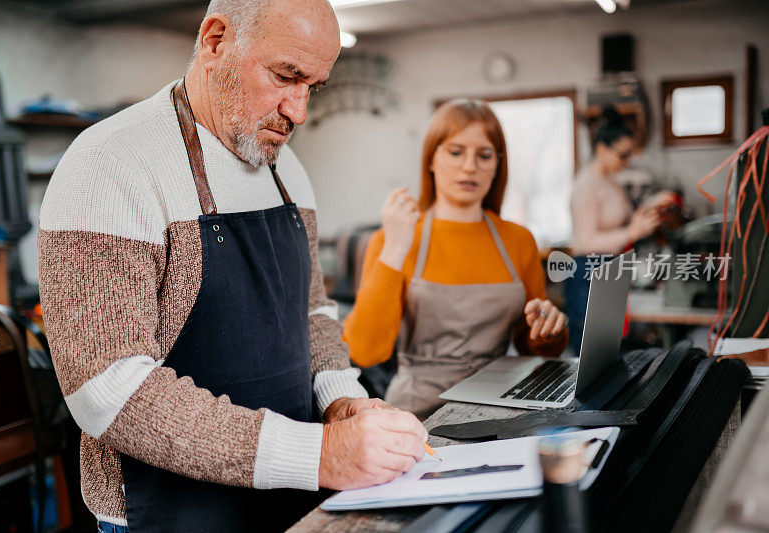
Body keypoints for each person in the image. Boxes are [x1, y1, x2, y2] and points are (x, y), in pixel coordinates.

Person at [37, 1, 427, 532]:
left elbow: (311, 314)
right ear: (216, 40)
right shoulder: (110, 164)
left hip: (289, 498)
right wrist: (319, 453)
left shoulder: (286, 169)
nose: (299, 111)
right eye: (287, 76)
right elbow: (106, 389)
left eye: (314, 86)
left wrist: (341, 403)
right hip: (173, 513)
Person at [343, 99, 569, 419]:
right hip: (417, 413)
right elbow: (365, 351)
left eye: (484, 155)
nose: (469, 167)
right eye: (455, 151)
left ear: (497, 165)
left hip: (499, 403)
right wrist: (394, 250)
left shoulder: (519, 240)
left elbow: (529, 346)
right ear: (431, 159)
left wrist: (549, 332)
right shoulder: (394, 238)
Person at [566, 108, 674, 356]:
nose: (626, 162)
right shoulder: (586, 185)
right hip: (588, 274)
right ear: (602, 149)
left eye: (630, 156)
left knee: (610, 350)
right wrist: (631, 234)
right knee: (591, 353)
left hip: (610, 269)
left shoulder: (610, 181)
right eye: (623, 155)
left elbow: (625, 221)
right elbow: (585, 241)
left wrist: (653, 203)